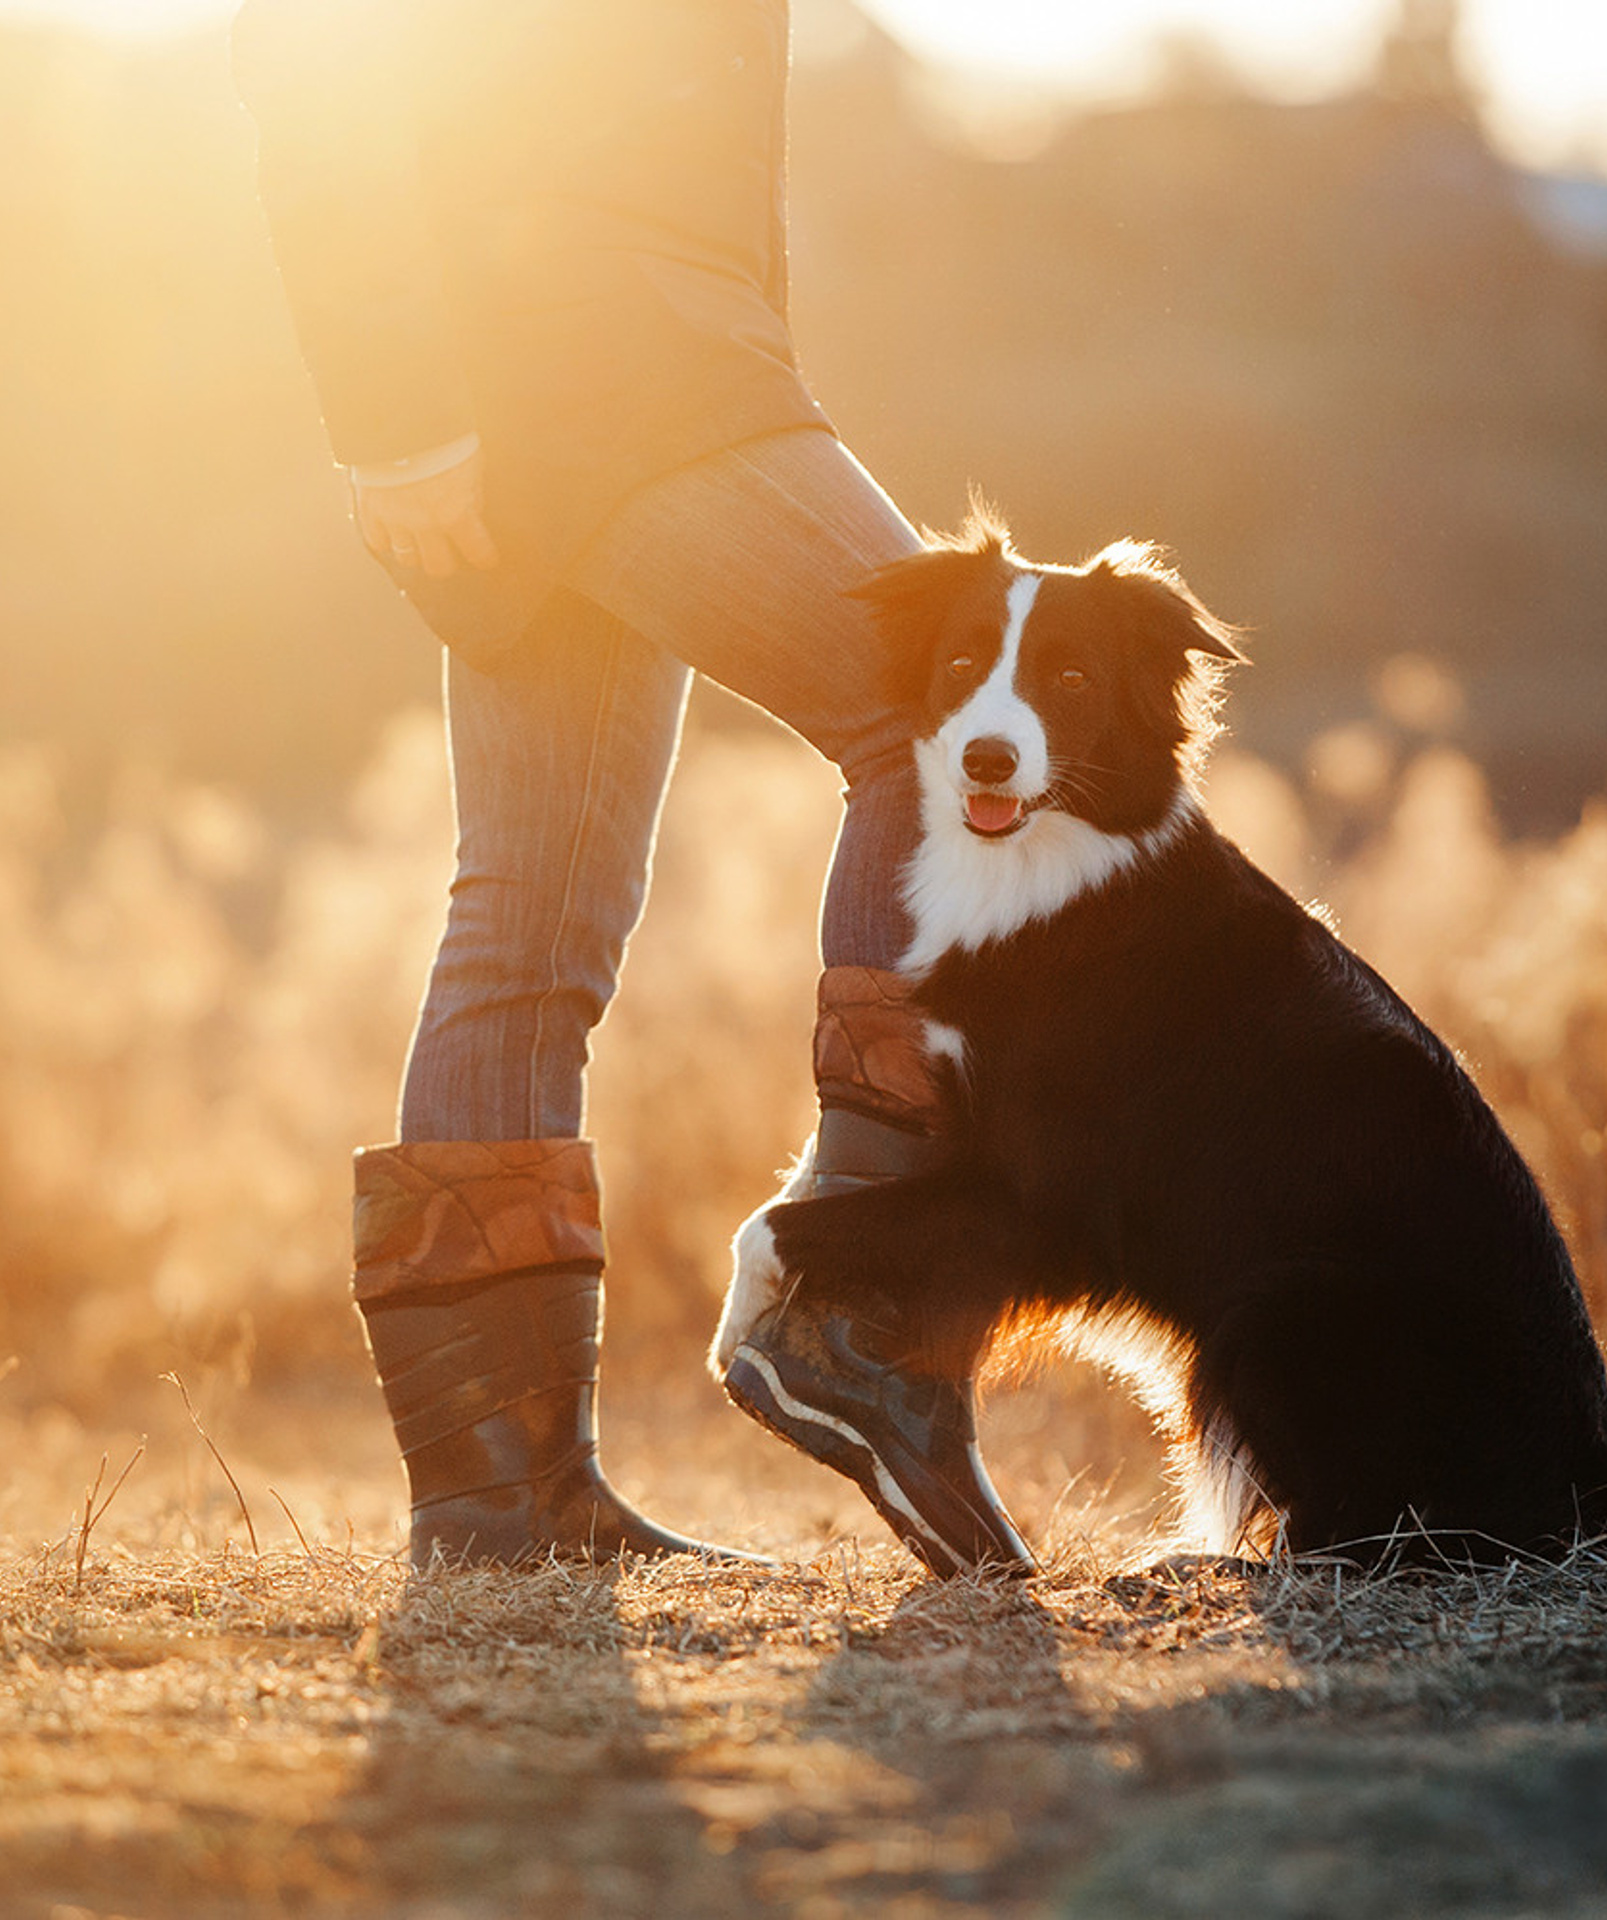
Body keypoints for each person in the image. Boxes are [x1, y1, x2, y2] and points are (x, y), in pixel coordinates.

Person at [233, 0, 1025, 1570]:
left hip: (598, 363)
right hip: (618, 367)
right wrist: (393, 417)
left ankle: (505, 1503)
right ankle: (850, 1312)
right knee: (955, 729)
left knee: (532, 918)